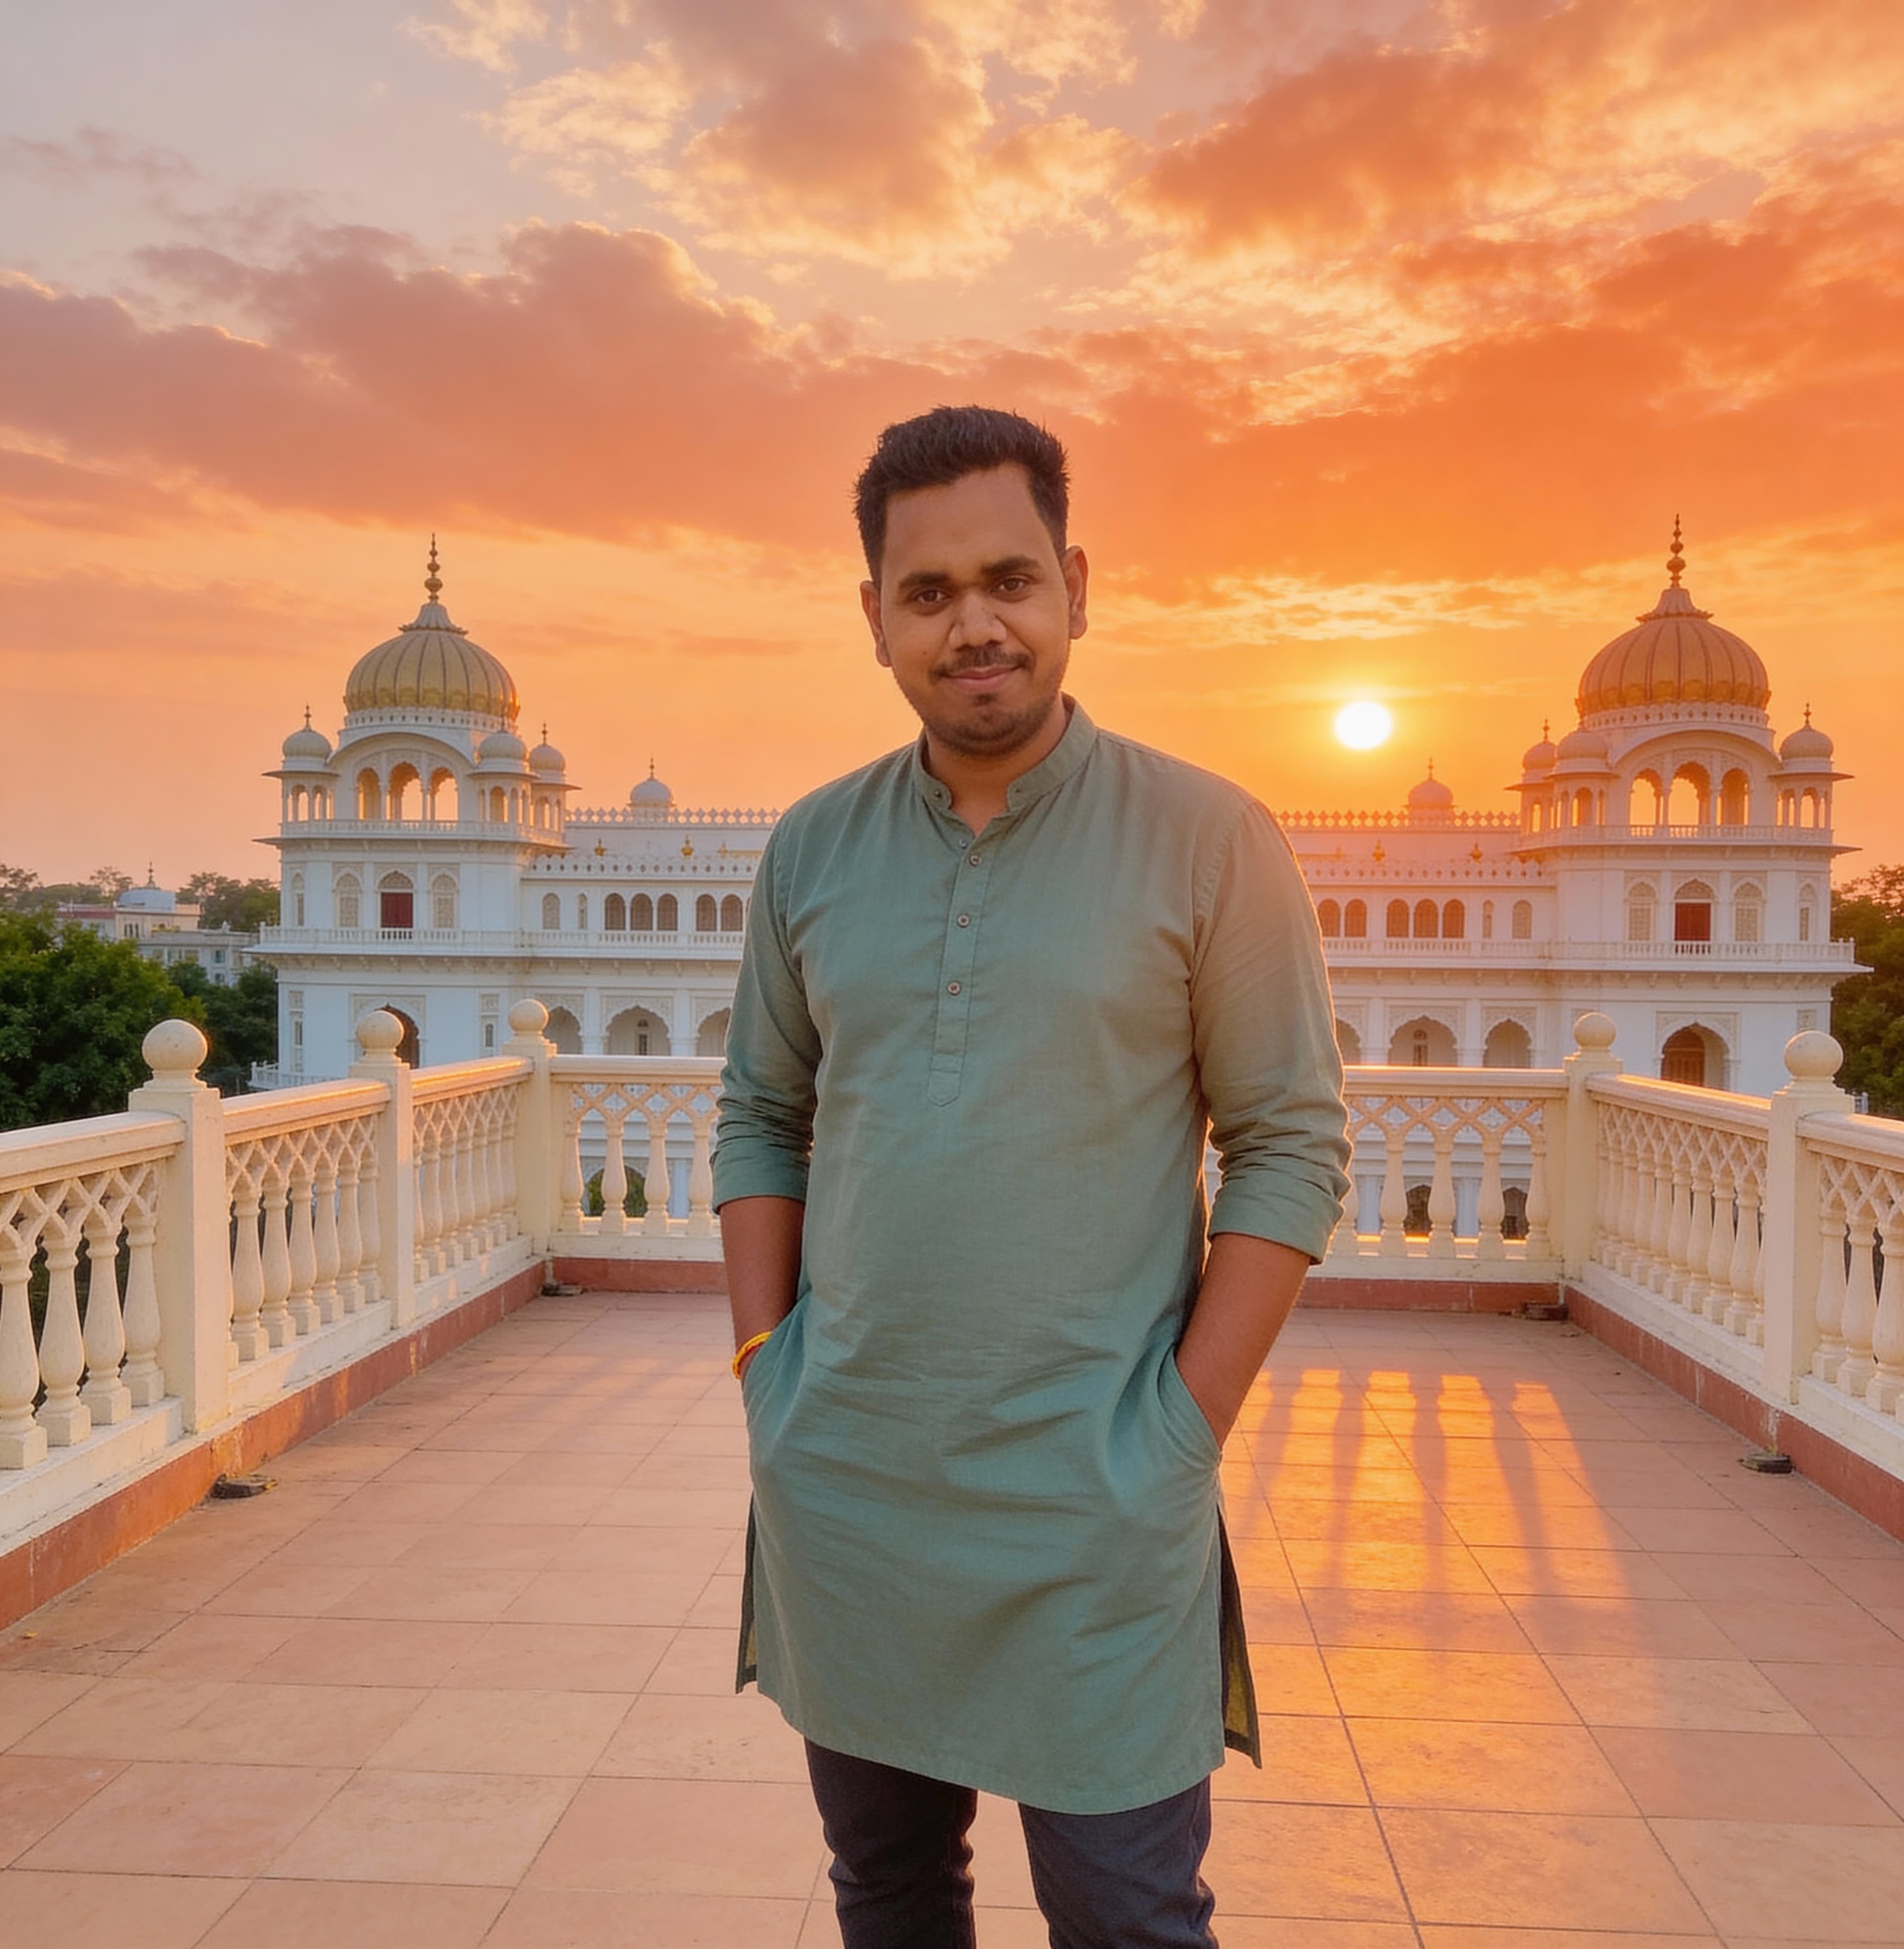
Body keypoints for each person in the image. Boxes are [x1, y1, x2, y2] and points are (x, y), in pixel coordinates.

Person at [714, 405, 1351, 1949]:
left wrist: (1178, 1429)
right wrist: (767, 1368)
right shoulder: (814, 847)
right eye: (928, 592)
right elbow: (759, 1112)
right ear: (874, 615)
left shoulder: (1209, 838)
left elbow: (1291, 1142)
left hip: (1097, 1500)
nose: (974, 623)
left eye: (1009, 578)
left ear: (1076, 583)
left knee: (1130, 1919)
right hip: (855, 1487)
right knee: (891, 1891)